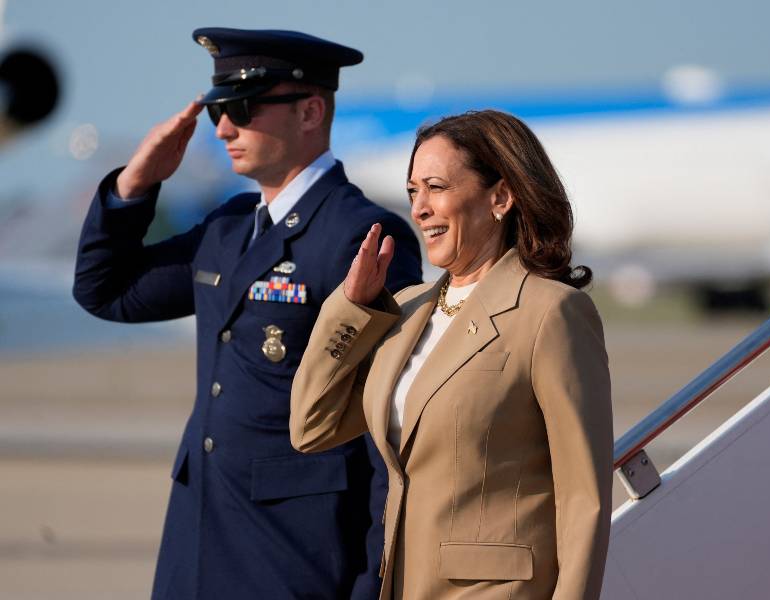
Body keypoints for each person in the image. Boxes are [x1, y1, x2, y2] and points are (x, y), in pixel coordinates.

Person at [73, 28, 422, 600]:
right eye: (217, 110)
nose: (223, 128)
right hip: (198, 546)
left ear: (311, 111)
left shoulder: (358, 236)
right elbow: (106, 291)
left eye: (241, 108)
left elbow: (388, 425)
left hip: (296, 558)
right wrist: (136, 183)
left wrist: (374, 582)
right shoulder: (228, 227)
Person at [291, 109, 613, 599]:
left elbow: (583, 497)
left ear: (500, 197)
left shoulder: (552, 312)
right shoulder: (405, 309)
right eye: (412, 192)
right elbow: (311, 426)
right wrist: (350, 309)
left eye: (436, 187)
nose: (419, 208)